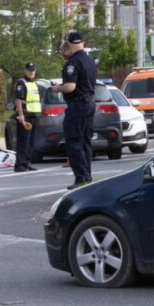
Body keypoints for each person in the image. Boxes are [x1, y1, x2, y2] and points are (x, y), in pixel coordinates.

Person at [55, 30, 97, 189]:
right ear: (83, 43)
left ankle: (81, 177)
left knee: (74, 141)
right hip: (90, 104)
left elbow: (70, 87)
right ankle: (87, 175)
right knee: (86, 142)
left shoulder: (72, 63)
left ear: (70, 45)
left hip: (77, 106)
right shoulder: (90, 61)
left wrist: (57, 89)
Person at [12, 62, 40, 173]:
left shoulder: (33, 83)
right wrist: (21, 115)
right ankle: (20, 165)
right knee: (23, 141)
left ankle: (27, 162)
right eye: (29, 70)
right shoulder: (21, 82)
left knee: (31, 142)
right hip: (25, 115)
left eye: (33, 70)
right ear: (25, 71)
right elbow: (18, 99)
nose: (31, 72)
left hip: (33, 115)